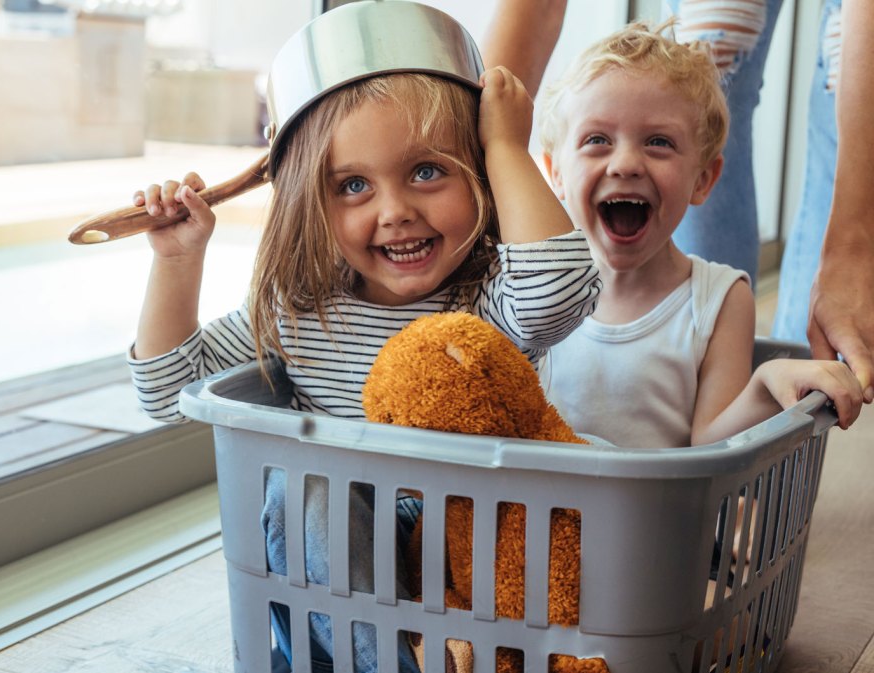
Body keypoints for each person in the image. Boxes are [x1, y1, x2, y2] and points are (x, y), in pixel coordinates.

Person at [127, 4, 601, 670]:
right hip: (339, 580)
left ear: (477, 173)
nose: (395, 210)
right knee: (306, 488)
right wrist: (177, 262)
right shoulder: (299, 311)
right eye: (352, 185)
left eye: (427, 171)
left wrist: (506, 147)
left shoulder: (488, 297)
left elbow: (560, 283)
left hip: (469, 560)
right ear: (308, 204)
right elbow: (166, 389)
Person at [484, 0, 874, 407]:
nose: (626, 164)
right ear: (556, 174)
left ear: (703, 178)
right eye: (597, 140)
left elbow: (714, 449)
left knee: (838, 63)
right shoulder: (525, 287)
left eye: (658, 142)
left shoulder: (719, 302)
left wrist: (764, 385)